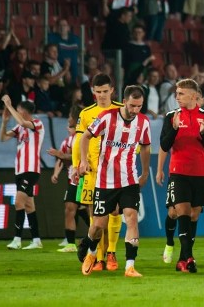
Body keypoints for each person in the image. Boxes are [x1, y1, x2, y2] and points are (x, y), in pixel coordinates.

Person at [78, 86, 151, 277]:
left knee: (131, 217)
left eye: (140, 106)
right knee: (98, 226)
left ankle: (130, 266)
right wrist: (84, 161)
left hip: (129, 179)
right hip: (105, 180)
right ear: (124, 101)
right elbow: (85, 137)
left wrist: (144, 172)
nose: (136, 110)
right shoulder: (107, 117)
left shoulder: (143, 122)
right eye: (133, 105)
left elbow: (145, 147)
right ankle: (91, 252)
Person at [157, 78, 204, 273]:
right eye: (177, 93)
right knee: (180, 212)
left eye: (181, 93)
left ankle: (183, 259)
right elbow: (165, 145)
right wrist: (174, 129)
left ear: (193, 95)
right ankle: (187, 256)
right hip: (178, 172)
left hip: (199, 172)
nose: (177, 97)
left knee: (193, 215)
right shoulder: (171, 117)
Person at [71, 74, 124, 270]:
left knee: (115, 210)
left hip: (116, 170)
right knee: (95, 214)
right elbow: (78, 142)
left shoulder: (121, 110)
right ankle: (99, 258)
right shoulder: (86, 113)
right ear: (93, 92)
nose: (102, 95)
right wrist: (78, 165)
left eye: (105, 91)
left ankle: (111, 253)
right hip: (93, 171)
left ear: (112, 90)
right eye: (98, 91)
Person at [0, 95, 45, 251]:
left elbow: (21, 121)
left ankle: (17, 239)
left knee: (19, 202)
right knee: (29, 206)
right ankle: (36, 240)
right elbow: (3, 138)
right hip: (20, 170)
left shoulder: (37, 124)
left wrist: (8, 105)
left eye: (18, 109)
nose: (16, 112)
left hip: (30, 170)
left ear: (24, 111)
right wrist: (4, 121)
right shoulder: (19, 129)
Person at [48, 117, 89, 253]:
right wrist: (56, 173)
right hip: (73, 180)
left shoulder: (84, 138)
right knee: (70, 208)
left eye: (71, 125)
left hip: (86, 178)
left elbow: (73, 157)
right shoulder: (67, 141)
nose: (69, 127)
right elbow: (61, 159)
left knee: (87, 209)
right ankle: (70, 243)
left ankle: (97, 236)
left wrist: (60, 154)